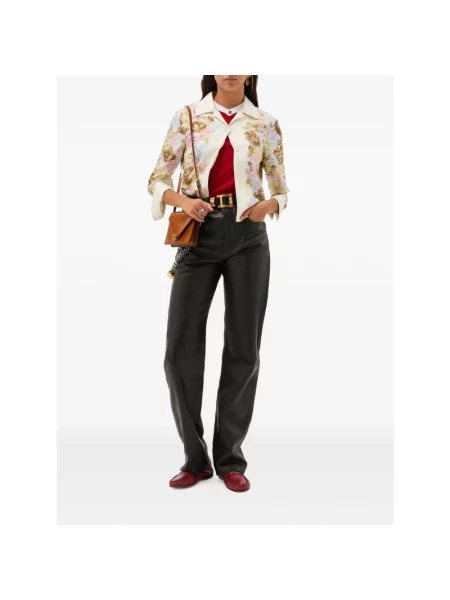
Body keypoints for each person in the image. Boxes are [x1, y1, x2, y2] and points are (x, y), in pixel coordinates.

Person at [147, 75, 289, 492]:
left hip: (249, 238)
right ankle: (195, 459)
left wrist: (268, 205)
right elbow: (157, 180)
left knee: (244, 347)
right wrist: (183, 201)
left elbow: (280, 187)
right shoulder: (188, 117)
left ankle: (230, 460)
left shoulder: (265, 122)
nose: (230, 70)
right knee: (179, 350)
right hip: (199, 233)